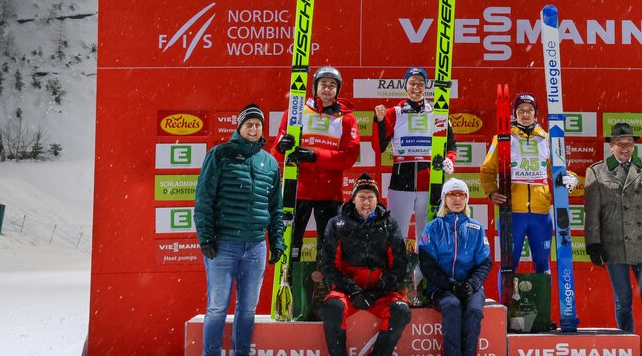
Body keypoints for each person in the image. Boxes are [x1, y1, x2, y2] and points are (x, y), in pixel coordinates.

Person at [194, 103, 284, 356]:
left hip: (255, 246)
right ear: (240, 127)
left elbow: (276, 208)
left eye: (258, 125)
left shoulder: (269, 162)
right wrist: (206, 237)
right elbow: (204, 199)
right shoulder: (220, 154)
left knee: (247, 309)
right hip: (224, 244)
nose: (253, 129)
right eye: (249, 124)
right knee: (216, 307)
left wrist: (276, 241)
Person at [584, 122, 642, 356]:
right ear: (611, 146)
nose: (625, 148)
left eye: (629, 143)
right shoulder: (596, 171)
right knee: (623, 303)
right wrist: (593, 244)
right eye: (620, 144)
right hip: (615, 247)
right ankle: (627, 349)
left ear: (634, 145)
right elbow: (592, 214)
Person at [479, 92, 578, 274]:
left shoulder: (547, 139)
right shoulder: (503, 138)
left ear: (536, 113)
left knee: (542, 264)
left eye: (530, 110)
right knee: (509, 266)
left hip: (541, 211)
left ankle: (541, 302)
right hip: (513, 211)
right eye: (521, 110)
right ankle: (508, 302)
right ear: (514, 113)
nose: (525, 114)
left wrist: (570, 177)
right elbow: (487, 170)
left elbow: (555, 170)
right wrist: (492, 191)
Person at [273, 65, 360, 259]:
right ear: (315, 87)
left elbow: (349, 156)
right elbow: (276, 155)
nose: (327, 89)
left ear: (338, 89)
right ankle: (289, 281)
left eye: (332, 85)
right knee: (291, 243)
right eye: (323, 84)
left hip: (329, 192)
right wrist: (281, 147)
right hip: (298, 190)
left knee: (329, 247)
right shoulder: (295, 112)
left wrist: (315, 156)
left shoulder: (346, 119)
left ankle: (327, 287)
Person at [319, 174, 412, 356]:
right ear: (353, 199)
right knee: (331, 310)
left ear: (378, 200)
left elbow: (399, 263)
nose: (366, 202)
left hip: (381, 291)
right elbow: (329, 264)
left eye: (371, 197)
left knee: (401, 312)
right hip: (347, 291)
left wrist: (378, 290)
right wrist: (353, 290)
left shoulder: (389, 224)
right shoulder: (337, 224)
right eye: (362, 197)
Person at [372, 66, 457, 244]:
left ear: (426, 87)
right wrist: (379, 122)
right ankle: (397, 270)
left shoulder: (438, 112)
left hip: (430, 179)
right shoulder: (393, 113)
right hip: (401, 180)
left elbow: (450, 144)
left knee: (426, 234)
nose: (416, 87)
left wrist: (450, 159)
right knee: (396, 232)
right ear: (405, 86)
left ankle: (422, 271)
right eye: (412, 83)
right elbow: (378, 146)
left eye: (420, 83)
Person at [419, 178, 493, 356]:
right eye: (452, 194)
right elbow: (427, 265)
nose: (457, 199)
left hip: (471, 287)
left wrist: (471, 285)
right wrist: (451, 284)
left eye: (461, 195)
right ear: (445, 198)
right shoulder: (432, 228)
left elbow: (485, 263)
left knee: (474, 311)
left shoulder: (477, 228)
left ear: (467, 198)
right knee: (452, 306)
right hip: (442, 287)